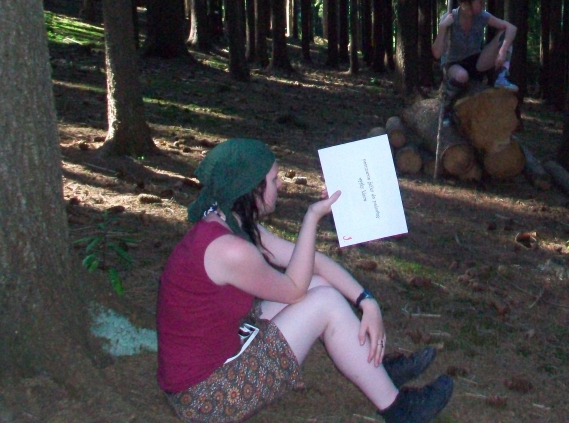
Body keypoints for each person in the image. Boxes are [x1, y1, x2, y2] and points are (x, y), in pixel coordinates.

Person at [156, 138, 454, 423]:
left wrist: (367, 301)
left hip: (223, 347)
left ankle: (375, 369)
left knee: (319, 285)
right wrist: (312, 217)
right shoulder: (231, 250)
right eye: (274, 180)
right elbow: (294, 290)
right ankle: (400, 410)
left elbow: (313, 264)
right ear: (252, 188)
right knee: (325, 302)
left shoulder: (227, 220)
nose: (281, 185)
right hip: (205, 395)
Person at [432, 0, 518, 119]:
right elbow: (437, 53)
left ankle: (502, 77)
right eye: (480, 1)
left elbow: (511, 28)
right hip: (453, 63)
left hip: (475, 60)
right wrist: (442, 28)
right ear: (466, 3)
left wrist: (502, 51)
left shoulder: (482, 16)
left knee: (505, 33)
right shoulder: (451, 18)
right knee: (461, 76)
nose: (483, 4)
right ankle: (447, 106)